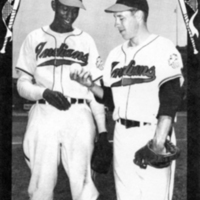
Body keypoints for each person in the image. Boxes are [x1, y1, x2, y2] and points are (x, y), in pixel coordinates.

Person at [70, 0, 184, 200]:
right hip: (122, 135)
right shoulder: (115, 55)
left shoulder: (163, 47)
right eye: (115, 18)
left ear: (138, 15)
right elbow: (112, 99)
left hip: (152, 132)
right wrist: (90, 85)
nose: (116, 23)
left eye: (121, 17)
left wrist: (158, 141)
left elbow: (171, 96)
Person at [15, 0, 107, 200]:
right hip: (43, 113)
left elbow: (95, 92)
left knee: (84, 185)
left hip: (79, 114)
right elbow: (22, 84)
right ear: (53, 5)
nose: (70, 14)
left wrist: (102, 131)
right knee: (40, 186)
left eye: (75, 10)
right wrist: (43, 93)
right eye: (65, 7)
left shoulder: (86, 40)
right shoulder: (34, 37)